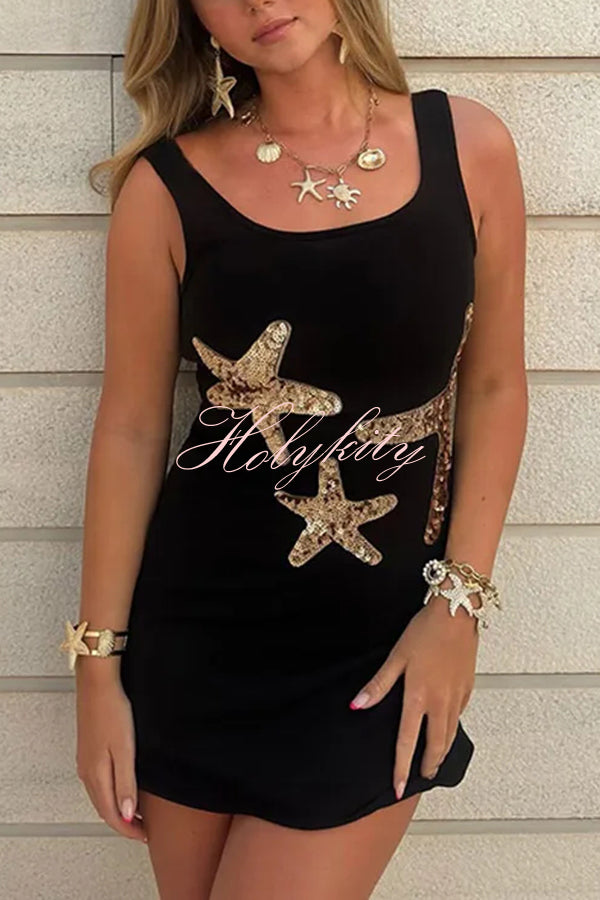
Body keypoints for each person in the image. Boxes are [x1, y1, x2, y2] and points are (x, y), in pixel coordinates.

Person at [60, 0, 528, 897]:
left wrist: (458, 606)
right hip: (195, 648)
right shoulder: (165, 190)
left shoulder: (470, 148)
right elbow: (129, 431)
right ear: (194, 19)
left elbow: (496, 387)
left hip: (375, 654)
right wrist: (97, 675)